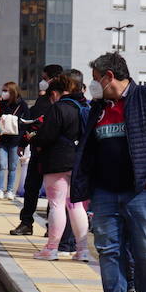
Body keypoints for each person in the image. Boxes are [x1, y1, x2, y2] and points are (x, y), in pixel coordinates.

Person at [74, 53, 146, 292]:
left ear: (109, 77)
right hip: (105, 192)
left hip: (140, 191)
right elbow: (88, 148)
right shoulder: (98, 107)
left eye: (96, 79)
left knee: (145, 250)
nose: (93, 85)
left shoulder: (143, 97)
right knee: (108, 250)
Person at [30, 73, 89, 262]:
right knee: (76, 205)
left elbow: (47, 136)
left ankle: (51, 248)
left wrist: (35, 139)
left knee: (56, 204)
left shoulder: (59, 108)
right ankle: (82, 250)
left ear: (56, 92)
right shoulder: (84, 106)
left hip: (57, 161)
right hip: (79, 161)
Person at [12, 64, 65, 235]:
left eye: (44, 78)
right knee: (31, 187)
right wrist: (23, 142)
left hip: (54, 154)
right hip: (37, 151)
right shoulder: (42, 100)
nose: (41, 82)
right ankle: (26, 222)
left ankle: (52, 226)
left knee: (54, 193)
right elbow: (32, 122)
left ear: (53, 79)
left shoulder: (63, 102)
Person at [0, 81, 28, 200]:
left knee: (13, 166)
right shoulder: (1, 104)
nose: (3, 93)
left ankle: (9, 190)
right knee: (2, 165)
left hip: (15, 139)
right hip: (3, 139)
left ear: (12, 92)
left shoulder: (22, 105)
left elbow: (26, 123)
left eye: (5, 90)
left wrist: (22, 142)